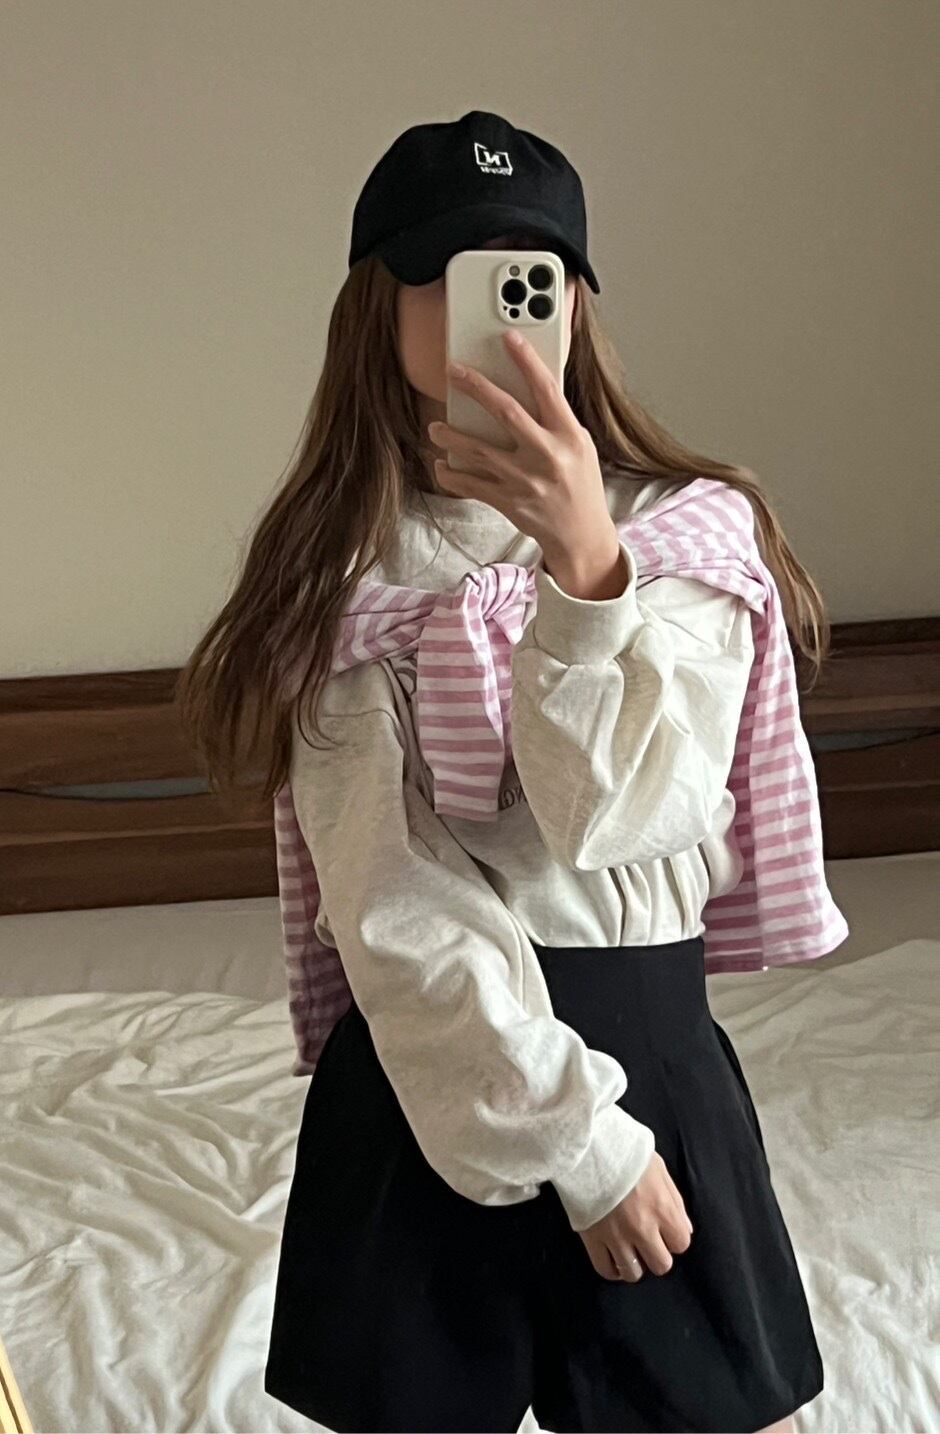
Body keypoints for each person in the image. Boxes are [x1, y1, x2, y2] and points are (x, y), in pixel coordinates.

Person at [176, 110, 843, 1433]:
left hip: (654, 1064)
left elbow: (629, 817)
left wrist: (588, 577)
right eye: (446, 271)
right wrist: (577, 1144)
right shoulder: (343, 579)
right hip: (428, 1074)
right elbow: (392, 901)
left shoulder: (691, 538)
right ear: (376, 308)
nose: (493, 304)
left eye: (529, 271)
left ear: (577, 302)